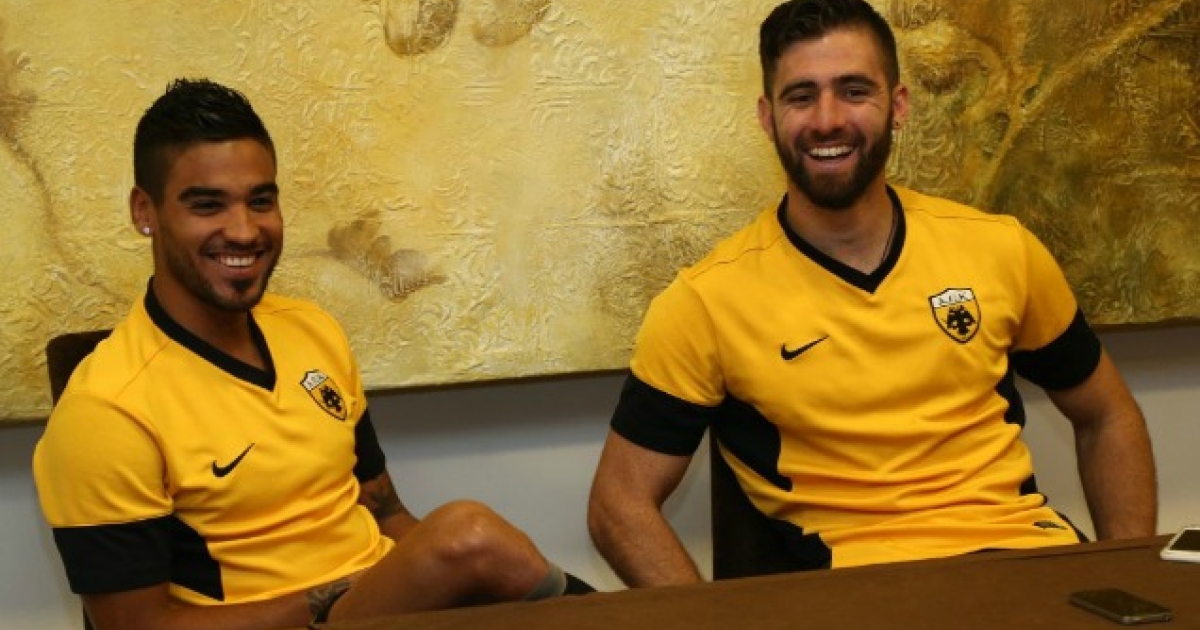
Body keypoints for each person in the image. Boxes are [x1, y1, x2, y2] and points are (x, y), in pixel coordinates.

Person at [587, 0, 1158, 587]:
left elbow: (1107, 414)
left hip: (1026, 560)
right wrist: (711, 622)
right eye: (801, 96)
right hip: (857, 587)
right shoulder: (706, 302)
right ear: (767, 117)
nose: (827, 119)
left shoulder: (1001, 250)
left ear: (899, 105)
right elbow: (618, 505)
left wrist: (1134, 579)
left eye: (854, 91)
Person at [33, 78, 591, 630]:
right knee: (467, 534)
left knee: (473, 547)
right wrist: (338, 595)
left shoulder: (312, 331)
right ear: (144, 211)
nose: (244, 230)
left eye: (261, 201)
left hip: (382, 611)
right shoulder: (105, 410)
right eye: (207, 205)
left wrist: (435, 579)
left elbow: (387, 514)